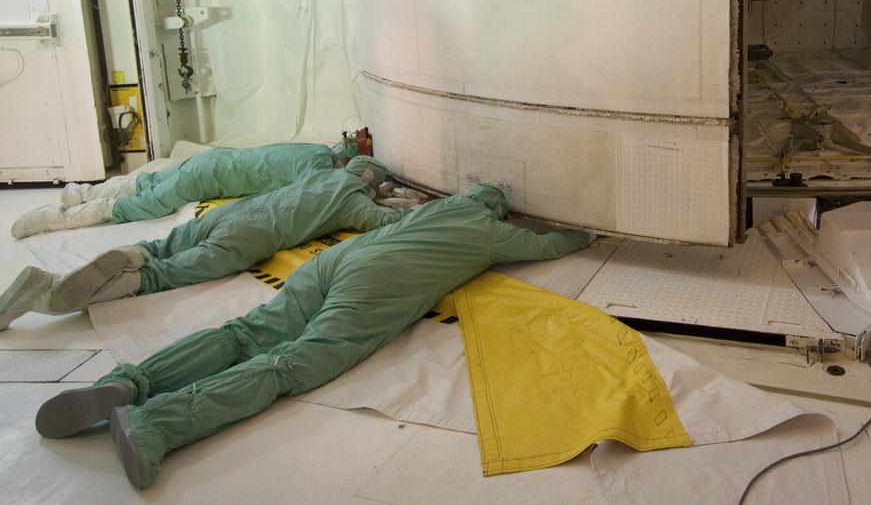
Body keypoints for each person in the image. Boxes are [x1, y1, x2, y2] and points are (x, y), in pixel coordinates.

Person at [33, 184, 593, 489]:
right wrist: (585, 234)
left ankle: (128, 384)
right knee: (291, 363)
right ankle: (157, 424)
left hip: (332, 264)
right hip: (374, 286)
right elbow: (548, 246)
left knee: (245, 331)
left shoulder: (433, 211)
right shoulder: (492, 233)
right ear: (498, 214)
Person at [0, 157, 403, 330]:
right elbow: (389, 221)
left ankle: (135, 253)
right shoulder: (353, 202)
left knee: (168, 245)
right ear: (372, 184)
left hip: (233, 213)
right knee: (175, 271)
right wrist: (400, 204)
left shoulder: (320, 174)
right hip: (253, 236)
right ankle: (81, 290)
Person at [11, 138, 359, 239]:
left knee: (151, 180)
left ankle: (83, 192)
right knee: (150, 203)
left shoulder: (314, 149)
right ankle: (62, 217)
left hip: (210, 161)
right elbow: (312, 199)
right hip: (207, 178)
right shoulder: (317, 170)